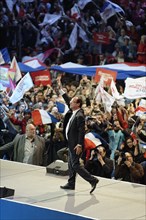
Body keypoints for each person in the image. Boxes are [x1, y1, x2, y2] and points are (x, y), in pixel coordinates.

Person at [57, 78, 99, 194]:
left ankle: (93, 180)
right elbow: (66, 99)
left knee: (75, 165)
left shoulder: (80, 115)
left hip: (76, 144)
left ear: (78, 104)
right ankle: (71, 183)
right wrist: (60, 86)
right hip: (71, 143)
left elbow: (81, 131)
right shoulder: (73, 111)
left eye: (72, 102)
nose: (70, 102)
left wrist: (80, 144)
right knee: (71, 164)